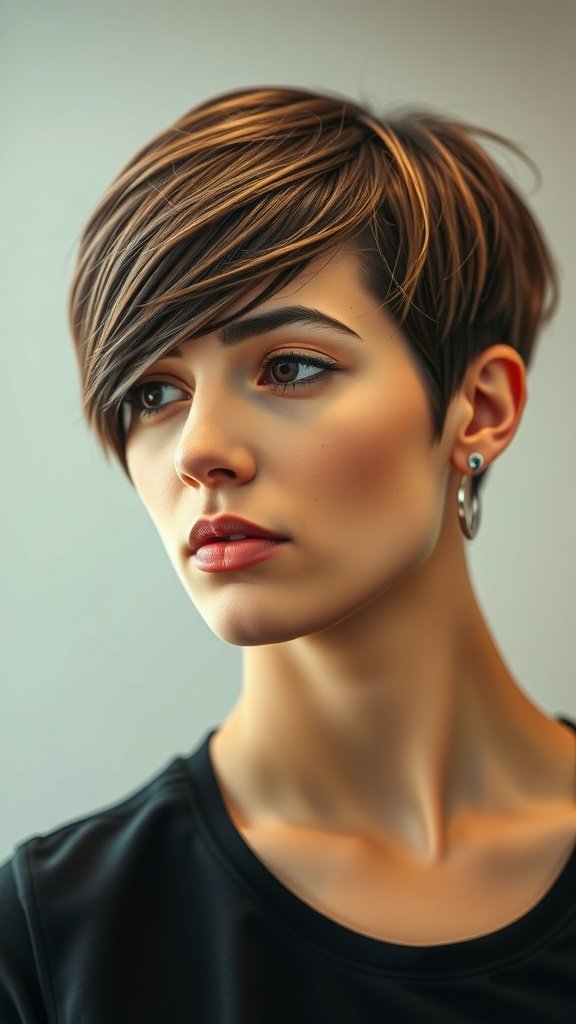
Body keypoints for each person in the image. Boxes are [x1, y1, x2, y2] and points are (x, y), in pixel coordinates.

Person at [1, 85, 575, 1022]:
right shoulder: (55, 941)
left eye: (290, 367)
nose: (196, 450)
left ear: (481, 408)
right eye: (152, 393)